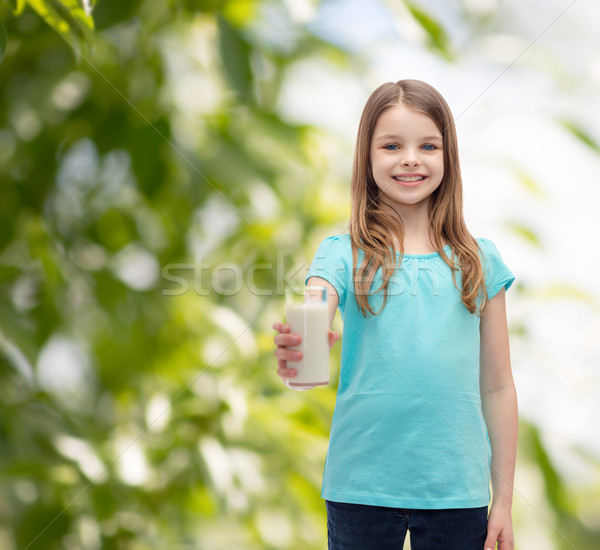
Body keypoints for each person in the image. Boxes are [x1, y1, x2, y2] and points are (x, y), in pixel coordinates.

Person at [272, 79, 517, 550]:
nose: (410, 158)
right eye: (391, 145)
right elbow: (315, 313)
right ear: (367, 157)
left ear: (449, 157)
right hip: (359, 490)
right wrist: (303, 349)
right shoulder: (339, 254)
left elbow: (498, 386)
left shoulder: (479, 262)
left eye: (428, 145)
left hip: (458, 494)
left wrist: (502, 501)